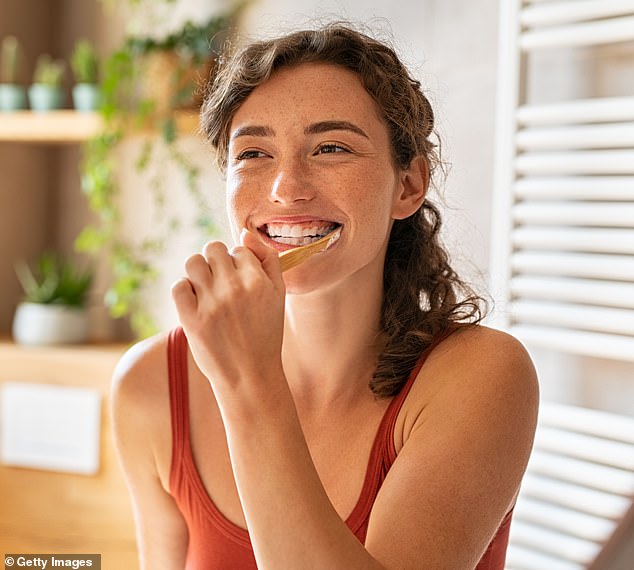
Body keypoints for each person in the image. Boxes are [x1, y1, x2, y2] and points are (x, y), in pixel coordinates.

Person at [112, 21, 539, 570]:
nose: (286, 187)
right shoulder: (151, 384)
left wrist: (248, 381)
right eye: (253, 154)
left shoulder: (482, 376)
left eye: (332, 147)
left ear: (407, 186)